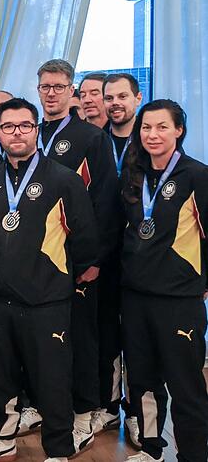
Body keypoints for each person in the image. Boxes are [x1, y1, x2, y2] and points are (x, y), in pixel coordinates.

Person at [0, 97, 99, 462]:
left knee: (52, 379)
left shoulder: (63, 179)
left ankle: (57, 448)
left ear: (36, 130)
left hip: (47, 300)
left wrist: (67, 278)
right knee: (0, 374)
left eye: (25, 126)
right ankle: (2, 436)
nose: (17, 133)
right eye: (8, 127)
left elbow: (85, 240)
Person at [32, 59, 120, 442]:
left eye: (59, 86)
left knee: (81, 336)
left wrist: (94, 260)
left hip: (77, 261)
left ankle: (84, 411)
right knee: (42, 337)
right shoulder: (28, 132)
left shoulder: (90, 137)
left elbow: (105, 203)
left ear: (73, 91)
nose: (51, 93)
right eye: (45, 87)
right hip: (35, 258)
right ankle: (43, 403)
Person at [119, 99, 208, 462]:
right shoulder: (134, 174)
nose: (152, 135)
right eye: (146, 128)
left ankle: (193, 455)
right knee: (142, 380)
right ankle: (152, 449)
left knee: (185, 386)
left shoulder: (197, 175)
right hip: (136, 295)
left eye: (161, 127)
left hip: (179, 299)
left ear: (178, 130)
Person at [91, 72, 144, 443]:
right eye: (109, 98)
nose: (114, 103)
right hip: (106, 256)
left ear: (137, 98)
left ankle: (139, 414)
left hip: (144, 259)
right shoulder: (96, 142)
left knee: (139, 342)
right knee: (106, 336)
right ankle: (109, 409)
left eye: (121, 96)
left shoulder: (153, 141)